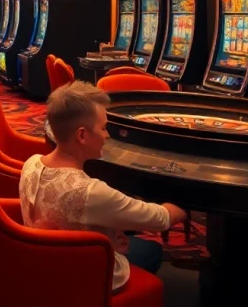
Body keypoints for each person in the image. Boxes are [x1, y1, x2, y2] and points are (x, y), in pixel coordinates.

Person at [20, 81, 187, 291]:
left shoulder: (31, 163)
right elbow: (160, 218)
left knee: (131, 240)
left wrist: (108, 233)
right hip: (84, 273)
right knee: (152, 251)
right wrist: (184, 207)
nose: (107, 135)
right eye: (103, 128)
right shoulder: (91, 191)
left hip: (42, 261)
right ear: (82, 135)